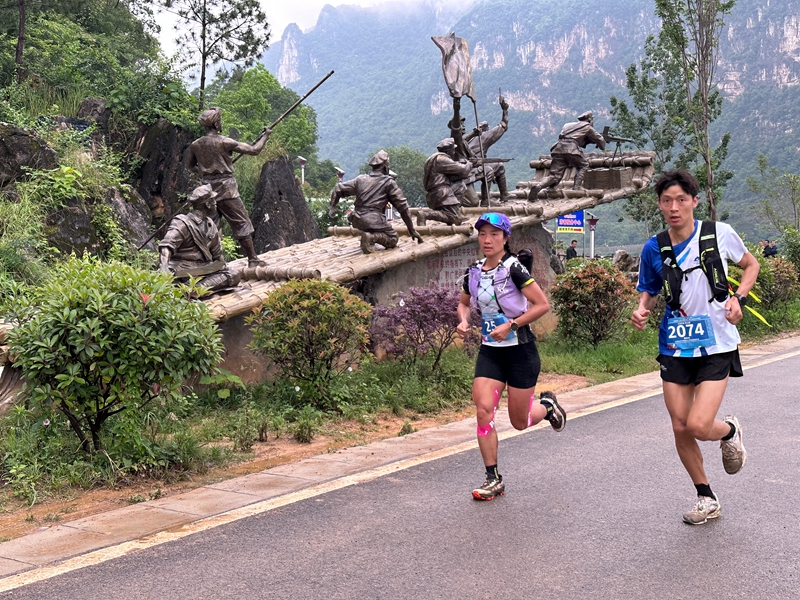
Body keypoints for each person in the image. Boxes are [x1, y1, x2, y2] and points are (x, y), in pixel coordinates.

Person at [631, 169, 760, 525]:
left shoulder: (720, 234)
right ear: (659, 204)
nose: (674, 207)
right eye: (666, 201)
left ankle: (729, 430)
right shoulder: (654, 247)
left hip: (716, 341)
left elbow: (751, 265)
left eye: (681, 200)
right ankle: (706, 496)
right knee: (680, 426)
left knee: (700, 425)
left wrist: (740, 299)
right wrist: (642, 309)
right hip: (675, 344)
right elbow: (651, 290)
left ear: (694, 201)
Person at [456, 212, 566, 500]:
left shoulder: (514, 269)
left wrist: (512, 324)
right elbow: (464, 303)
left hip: (520, 352)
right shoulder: (474, 271)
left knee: (520, 421)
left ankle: (548, 407)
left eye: (494, 234)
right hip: (490, 354)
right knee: (483, 411)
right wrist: (464, 320)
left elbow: (541, 305)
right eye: (483, 234)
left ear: (505, 238)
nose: (487, 240)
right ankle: (493, 478)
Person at [186, 107, 271, 267]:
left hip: (207, 192)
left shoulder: (196, 145)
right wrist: (265, 135)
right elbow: (254, 150)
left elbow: (190, 166)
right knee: (241, 223)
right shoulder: (225, 142)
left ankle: (213, 263)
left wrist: (206, 172)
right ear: (217, 123)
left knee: (210, 227)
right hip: (227, 190)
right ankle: (252, 259)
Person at [329, 150, 424, 254]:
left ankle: (370, 235)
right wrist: (411, 230)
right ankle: (371, 237)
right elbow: (403, 208)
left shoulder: (360, 179)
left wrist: (332, 207)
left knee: (375, 227)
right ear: (385, 166)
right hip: (373, 219)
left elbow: (338, 188)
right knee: (393, 238)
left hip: (356, 218)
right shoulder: (388, 183)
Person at [158, 184, 240, 293]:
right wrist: (164, 267)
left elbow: (217, 255)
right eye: (213, 199)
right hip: (183, 270)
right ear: (207, 204)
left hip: (204, 269)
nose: (215, 202)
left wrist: (223, 267)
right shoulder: (182, 223)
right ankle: (188, 290)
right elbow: (166, 246)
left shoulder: (211, 225)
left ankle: (189, 291)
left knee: (233, 275)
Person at [528, 111, 605, 201]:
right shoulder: (587, 127)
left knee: (554, 175)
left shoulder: (567, 125)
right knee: (584, 165)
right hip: (571, 149)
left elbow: (571, 137)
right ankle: (577, 187)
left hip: (558, 148)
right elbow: (600, 141)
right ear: (589, 120)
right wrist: (601, 143)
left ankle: (539, 186)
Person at [464, 95, 511, 205]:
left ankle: (504, 195)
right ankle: (487, 200)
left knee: (497, 165)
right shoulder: (484, 137)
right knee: (497, 167)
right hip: (473, 167)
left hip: (468, 166)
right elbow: (503, 125)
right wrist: (505, 110)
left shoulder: (468, 138)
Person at [417, 138, 472, 226]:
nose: (454, 152)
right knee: (453, 219)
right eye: (453, 150)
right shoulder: (442, 159)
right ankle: (425, 214)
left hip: (438, 191)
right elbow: (463, 170)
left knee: (460, 185)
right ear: (449, 151)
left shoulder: (434, 158)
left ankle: (456, 212)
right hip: (441, 192)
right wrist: (469, 164)